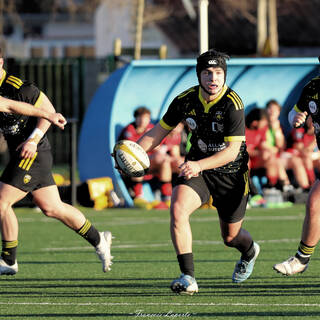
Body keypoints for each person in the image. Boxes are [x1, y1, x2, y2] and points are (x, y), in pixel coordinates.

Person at [134, 49, 260, 294]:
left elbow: (232, 151)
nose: (213, 78)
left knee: (230, 238)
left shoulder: (233, 103)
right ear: (198, 75)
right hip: (197, 170)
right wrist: (132, 153)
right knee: (178, 209)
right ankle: (188, 277)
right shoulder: (185, 100)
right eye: (207, 73)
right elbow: (158, 132)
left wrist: (199, 164)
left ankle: (250, 250)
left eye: (218, 73)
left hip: (231, 175)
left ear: (225, 76)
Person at [0, 48, 113, 275]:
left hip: (33, 153)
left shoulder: (20, 87)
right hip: (20, 154)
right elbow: (8, 107)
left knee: (1, 201)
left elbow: (47, 111)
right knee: (53, 208)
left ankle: (9, 260)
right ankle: (99, 238)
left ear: (0, 62)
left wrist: (33, 140)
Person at [273, 56, 320, 276]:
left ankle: (302, 259)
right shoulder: (312, 87)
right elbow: (294, 111)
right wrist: (296, 118)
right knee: (314, 204)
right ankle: (301, 259)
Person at [118, 106, 173, 209]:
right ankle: (138, 197)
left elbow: (165, 146)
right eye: (141, 117)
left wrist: (160, 150)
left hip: (150, 162)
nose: (143, 120)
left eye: (146, 118)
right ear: (136, 118)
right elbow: (132, 151)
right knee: (137, 160)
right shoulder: (129, 130)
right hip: (129, 165)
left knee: (165, 161)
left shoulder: (152, 128)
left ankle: (167, 198)